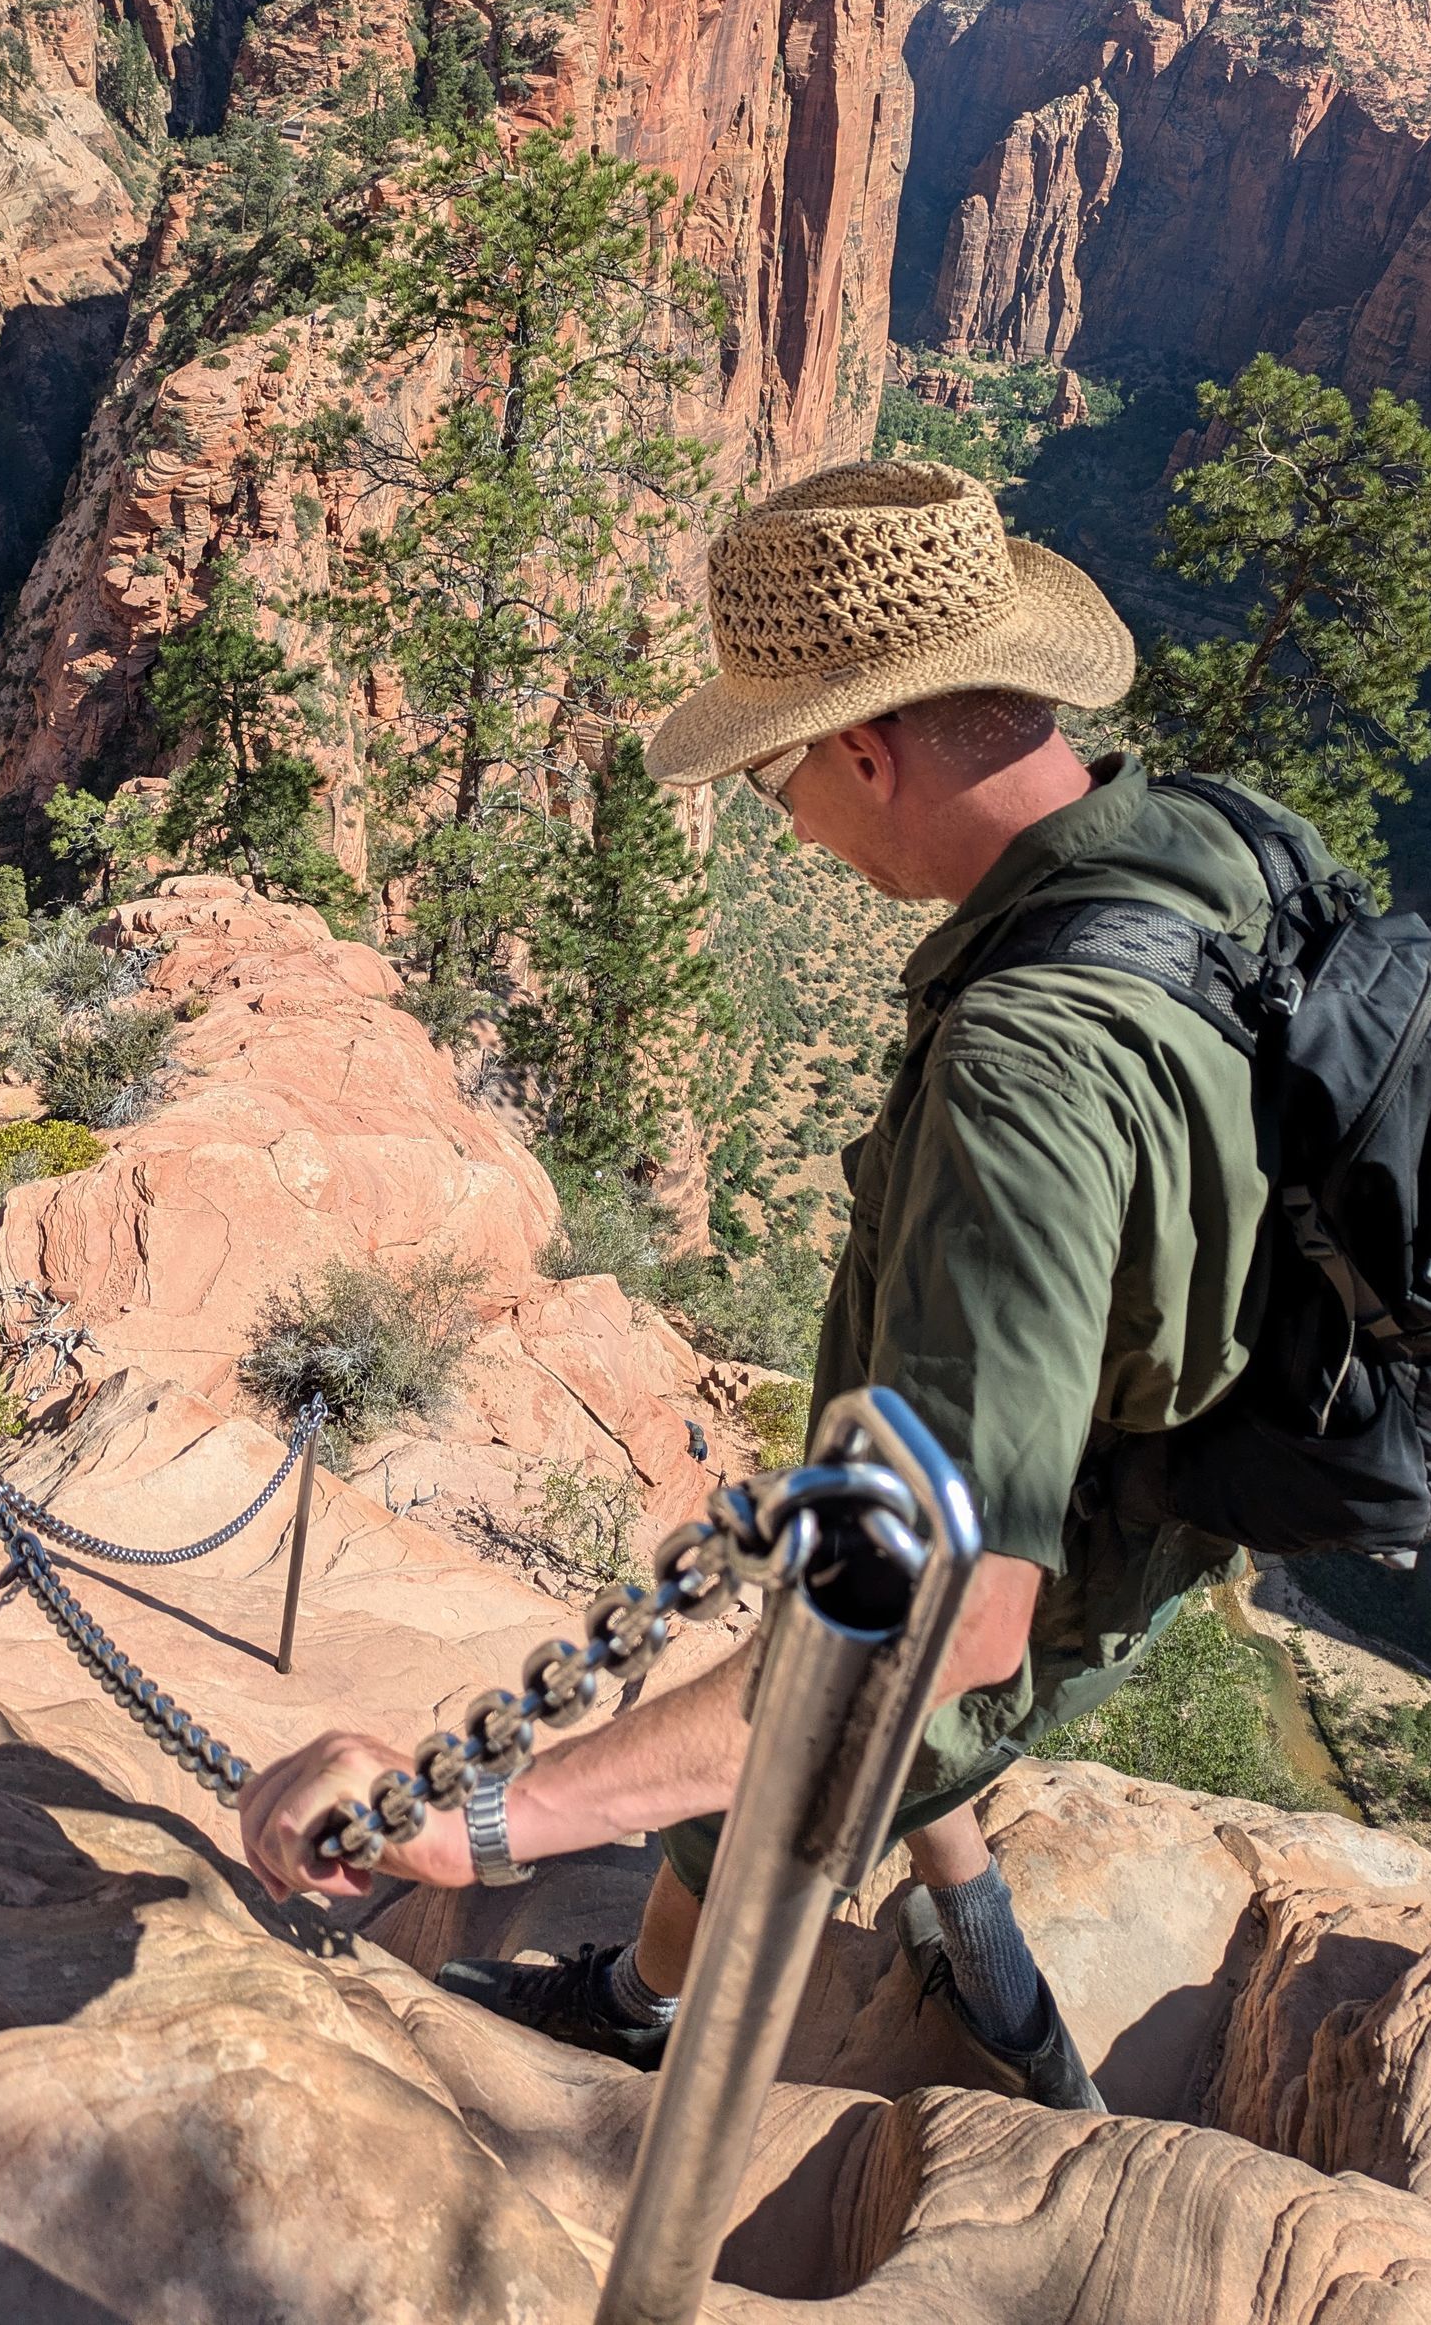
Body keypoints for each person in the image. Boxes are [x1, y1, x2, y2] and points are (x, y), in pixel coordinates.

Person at [239, 459, 1312, 2112]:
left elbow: (948, 1619)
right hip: (1123, 1438)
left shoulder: (1025, 1067)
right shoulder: (1193, 849)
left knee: (773, 1760)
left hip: (1076, 1530)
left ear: (868, 751)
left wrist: (489, 1819)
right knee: (818, 1694)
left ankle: (693, 2018)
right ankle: (966, 1932)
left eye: (771, 774)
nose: (778, 822)